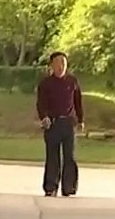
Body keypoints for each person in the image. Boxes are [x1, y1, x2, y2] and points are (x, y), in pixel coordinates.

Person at [35, 51, 83, 197]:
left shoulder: (72, 81)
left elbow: (78, 102)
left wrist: (80, 120)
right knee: (52, 156)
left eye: (63, 63)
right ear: (51, 65)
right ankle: (51, 187)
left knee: (69, 156)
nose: (61, 66)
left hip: (68, 123)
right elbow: (41, 103)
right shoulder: (45, 84)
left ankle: (69, 187)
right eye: (57, 63)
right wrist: (44, 117)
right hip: (53, 124)